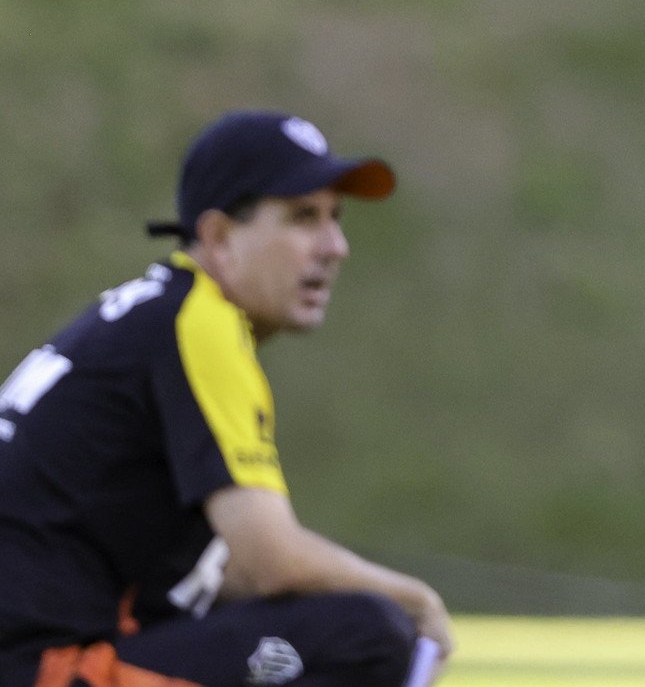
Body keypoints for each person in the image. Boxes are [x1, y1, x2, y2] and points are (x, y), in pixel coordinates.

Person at [0, 110, 451, 687]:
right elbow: (271, 562)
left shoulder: (153, 314)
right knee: (370, 634)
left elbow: (226, 573)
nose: (334, 246)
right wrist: (418, 602)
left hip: (35, 654)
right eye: (302, 218)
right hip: (44, 668)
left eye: (335, 218)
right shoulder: (201, 323)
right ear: (218, 237)